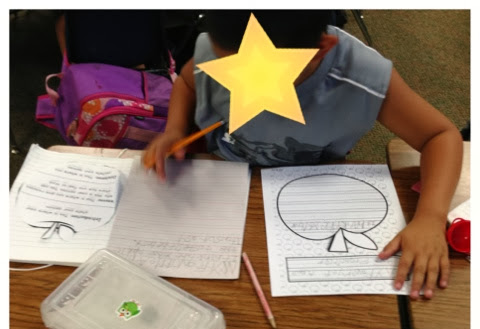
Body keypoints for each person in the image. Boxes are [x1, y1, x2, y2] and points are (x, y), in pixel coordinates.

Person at [144, 10, 463, 301]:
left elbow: (440, 136)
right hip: (225, 185)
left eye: (262, 76)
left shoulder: (361, 76)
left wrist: (431, 217)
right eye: (230, 70)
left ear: (321, 50)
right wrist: (174, 130)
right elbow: (187, 83)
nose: (243, 88)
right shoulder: (221, 42)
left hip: (311, 195)